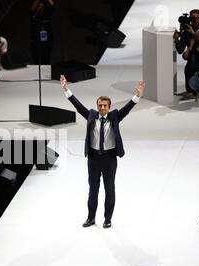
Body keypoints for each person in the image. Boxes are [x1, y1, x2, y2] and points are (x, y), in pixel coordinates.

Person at [60, 75, 145, 229]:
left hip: (109, 159)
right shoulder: (91, 115)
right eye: (100, 105)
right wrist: (66, 90)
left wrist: (137, 95)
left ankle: (107, 219)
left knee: (109, 189)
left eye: (105, 106)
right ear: (97, 106)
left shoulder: (115, 116)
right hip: (93, 158)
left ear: (109, 106)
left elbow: (127, 108)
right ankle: (91, 218)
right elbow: (78, 106)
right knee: (93, 190)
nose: (102, 108)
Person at [173, 9, 199, 95]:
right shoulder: (186, 32)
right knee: (190, 91)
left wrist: (193, 33)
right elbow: (180, 50)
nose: (195, 20)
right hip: (191, 65)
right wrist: (176, 39)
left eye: (197, 18)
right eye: (193, 18)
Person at [30, 0, 55, 65]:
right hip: (36, 30)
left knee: (46, 54)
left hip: (46, 30)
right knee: (36, 54)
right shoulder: (36, 5)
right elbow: (32, 9)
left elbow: (52, 5)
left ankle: (46, 70)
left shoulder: (49, 3)